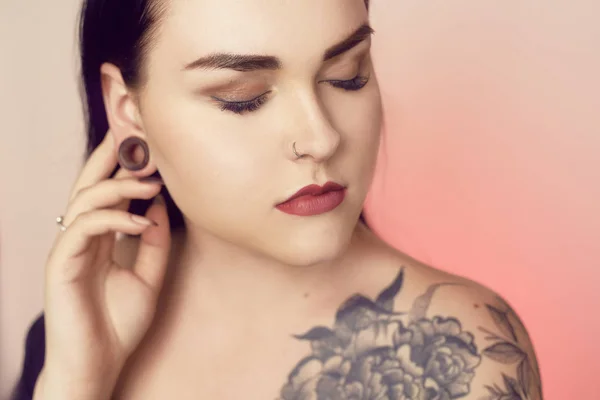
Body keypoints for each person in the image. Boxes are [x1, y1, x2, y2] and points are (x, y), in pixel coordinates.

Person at [11, 0, 544, 399]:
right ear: (128, 110)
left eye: (347, 75)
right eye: (243, 99)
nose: (321, 138)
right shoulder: (84, 317)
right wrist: (74, 382)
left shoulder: (462, 349)